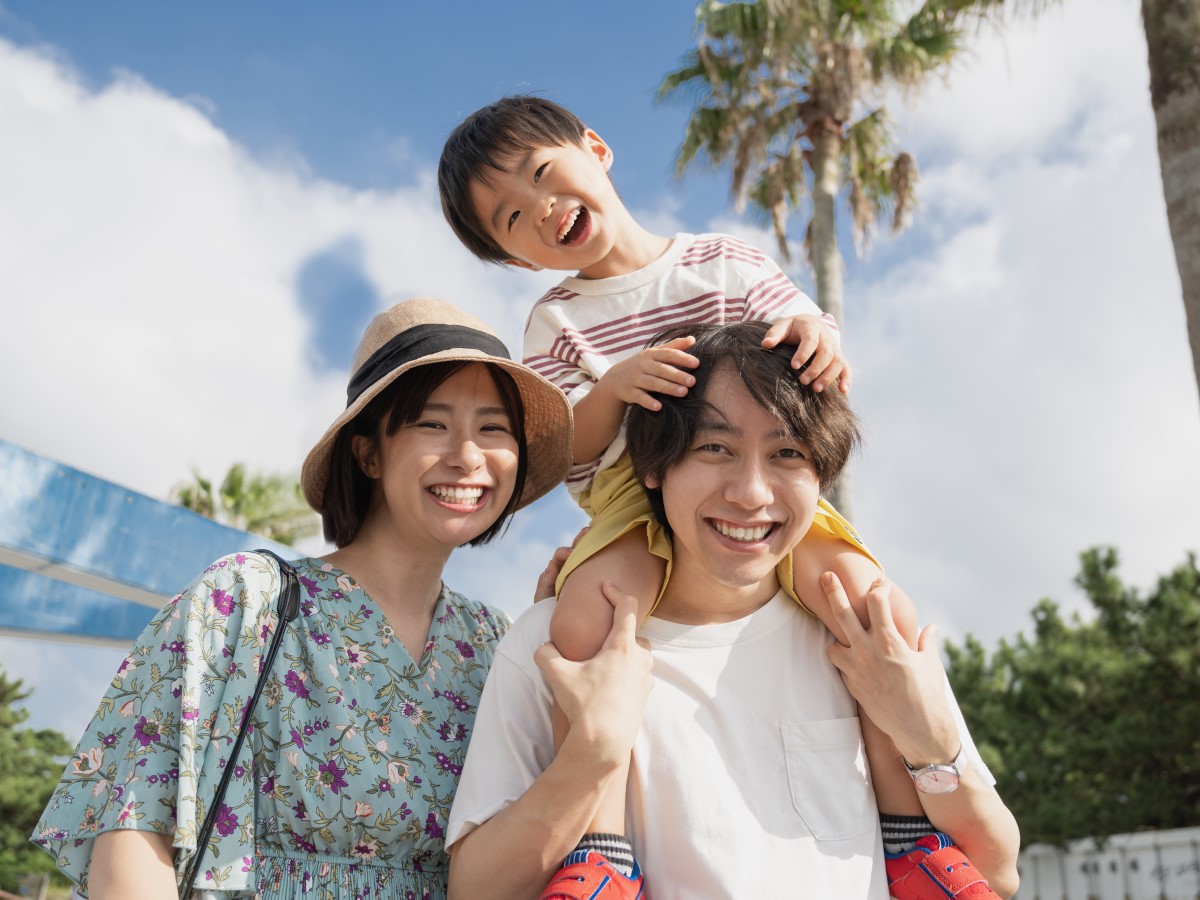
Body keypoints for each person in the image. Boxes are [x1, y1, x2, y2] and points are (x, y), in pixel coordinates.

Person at [438, 96, 973, 896]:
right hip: (629, 494)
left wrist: (818, 335)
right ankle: (601, 850)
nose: (543, 208)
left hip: (745, 478)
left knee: (868, 606)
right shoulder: (555, 324)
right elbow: (561, 454)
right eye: (513, 216)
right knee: (585, 619)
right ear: (513, 258)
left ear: (597, 147)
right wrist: (613, 388)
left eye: (544, 173)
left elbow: (805, 337)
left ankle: (908, 838)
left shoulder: (722, 262)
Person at [445, 321, 1021, 900]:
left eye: (787, 453)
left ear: (820, 476)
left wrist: (930, 743)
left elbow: (995, 874)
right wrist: (589, 756)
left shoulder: (868, 641)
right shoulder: (551, 648)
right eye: (714, 448)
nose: (751, 492)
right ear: (654, 467)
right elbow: (475, 890)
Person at [30, 298, 576, 899]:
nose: (467, 456)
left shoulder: (492, 641)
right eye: (432, 423)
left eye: (492, 428)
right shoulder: (245, 599)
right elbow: (136, 830)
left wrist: (555, 638)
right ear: (368, 452)